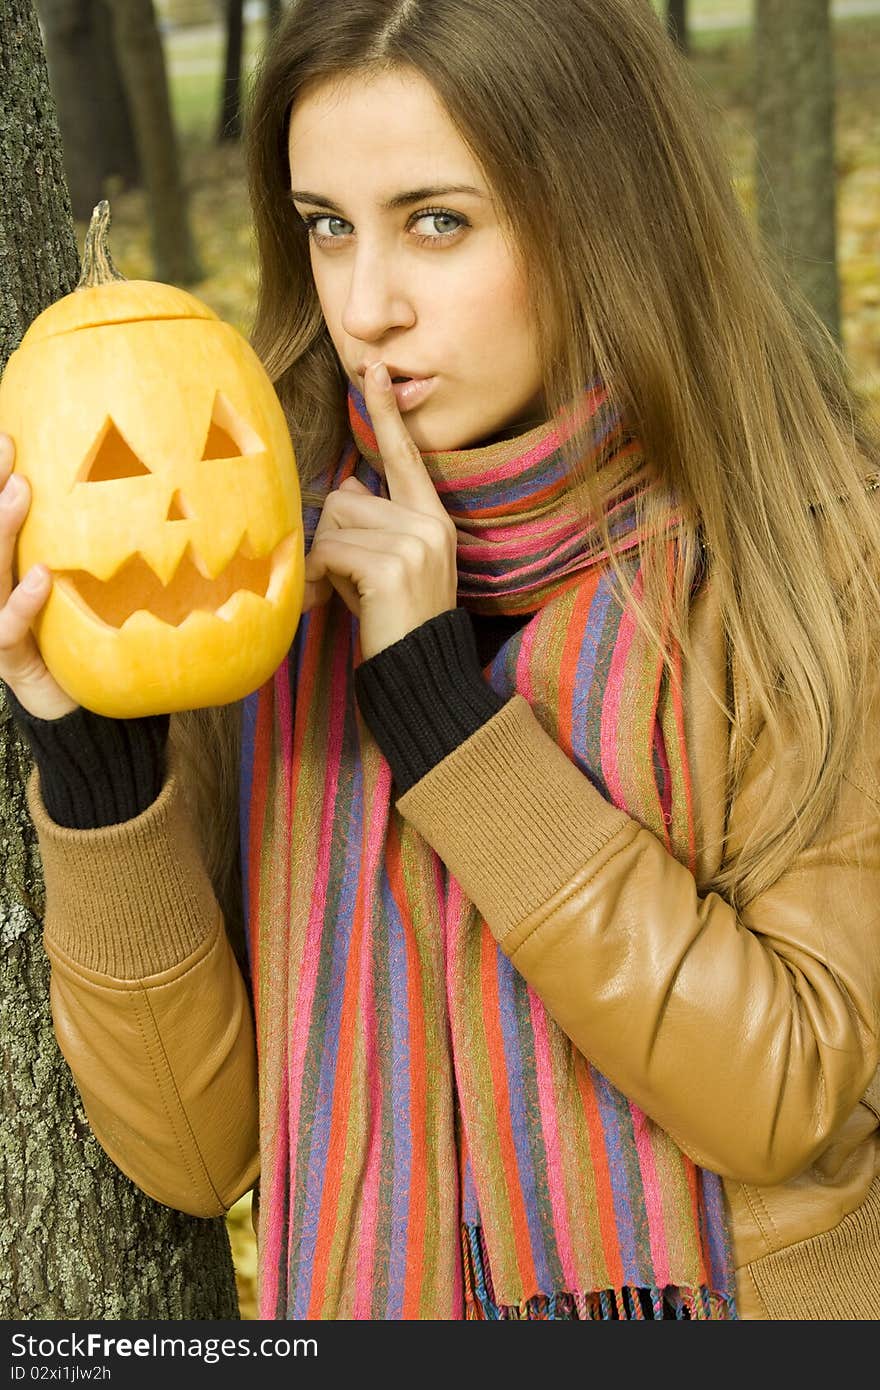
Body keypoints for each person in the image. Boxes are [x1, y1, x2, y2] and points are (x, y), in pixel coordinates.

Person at [1, 0, 878, 1322]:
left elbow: (785, 1087)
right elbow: (197, 1147)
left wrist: (451, 731)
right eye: (327, 224)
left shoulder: (804, 557)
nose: (365, 308)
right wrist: (100, 763)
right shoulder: (262, 576)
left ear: (597, 212)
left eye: (439, 222)